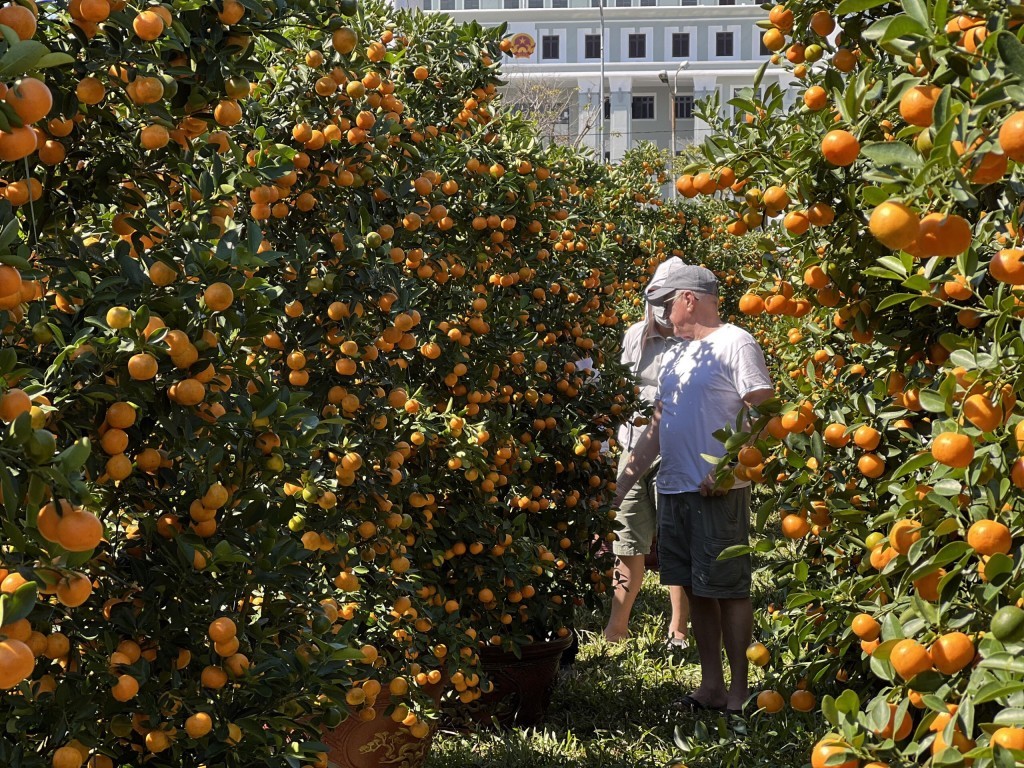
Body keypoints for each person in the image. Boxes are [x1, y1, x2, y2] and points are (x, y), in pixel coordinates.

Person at [611, 262, 773, 716]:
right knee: (697, 588)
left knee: (729, 589)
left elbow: (767, 412)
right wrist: (622, 485)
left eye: (665, 304)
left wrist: (727, 471)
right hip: (676, 487)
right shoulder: (681, 354)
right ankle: (711, 687)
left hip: (716, 491)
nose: (660, 315)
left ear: (687, 299)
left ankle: (739, 692)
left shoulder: (735, 342)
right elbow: (658, 426)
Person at [604, 262, 690, 647]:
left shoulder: (698, 341)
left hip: (678, 450)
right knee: (626, 538)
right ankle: (616, 627)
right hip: (633, 446)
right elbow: (622, 393)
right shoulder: (636, 336)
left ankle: (679, 629)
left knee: (676, 542)